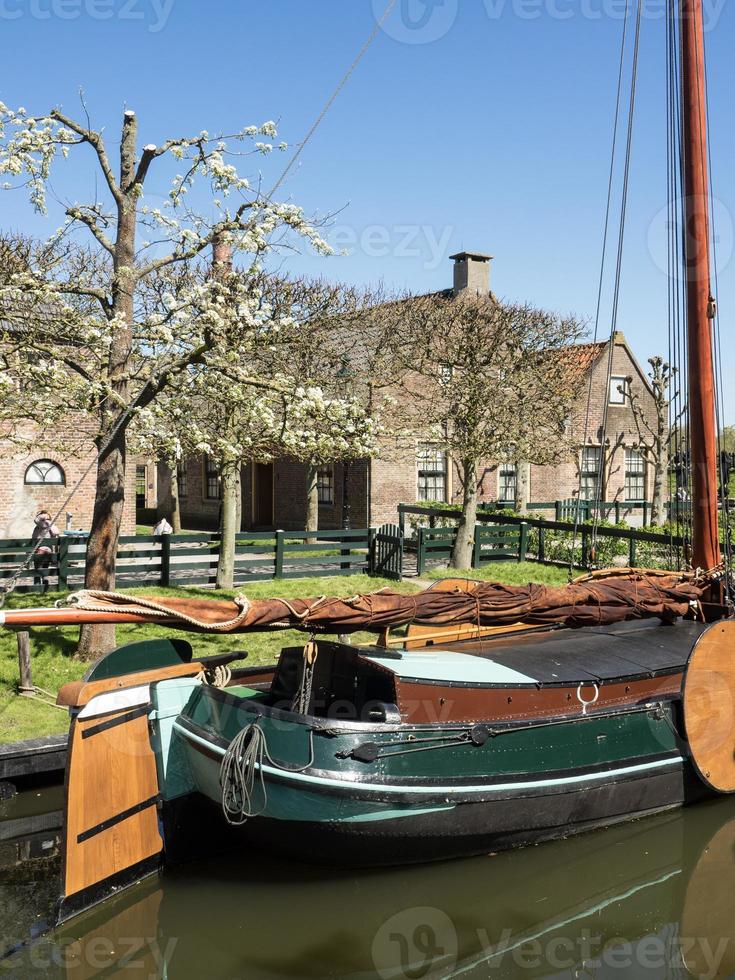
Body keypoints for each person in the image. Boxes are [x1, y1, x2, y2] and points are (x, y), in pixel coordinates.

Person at [31, 510, 60, 592]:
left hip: (44, 549)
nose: (45, 520)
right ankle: (43, 581)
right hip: (43, 549)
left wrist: (47, 521)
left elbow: (56, 532)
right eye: (43, 518)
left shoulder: (48, 525)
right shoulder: (39, 526)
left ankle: (41, 582)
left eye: (47, 518)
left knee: (40, 567)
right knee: (42, 567)